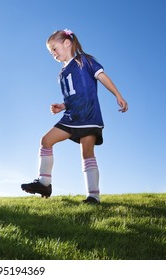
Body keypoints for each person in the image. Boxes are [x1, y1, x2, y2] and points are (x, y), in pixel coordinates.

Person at [21, 29, 128, 204]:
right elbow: (73, 96)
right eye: (51, 52)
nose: (53, 54)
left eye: (54, 49)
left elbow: (102, 77)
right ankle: (44, 183)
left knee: (87, 153)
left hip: (88, 115)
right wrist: (62, 106)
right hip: (71, 117)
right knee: (46, 140)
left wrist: (118, 95)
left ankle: (93, 196)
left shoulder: (84, 61)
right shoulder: (61, 74)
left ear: (67, 43)